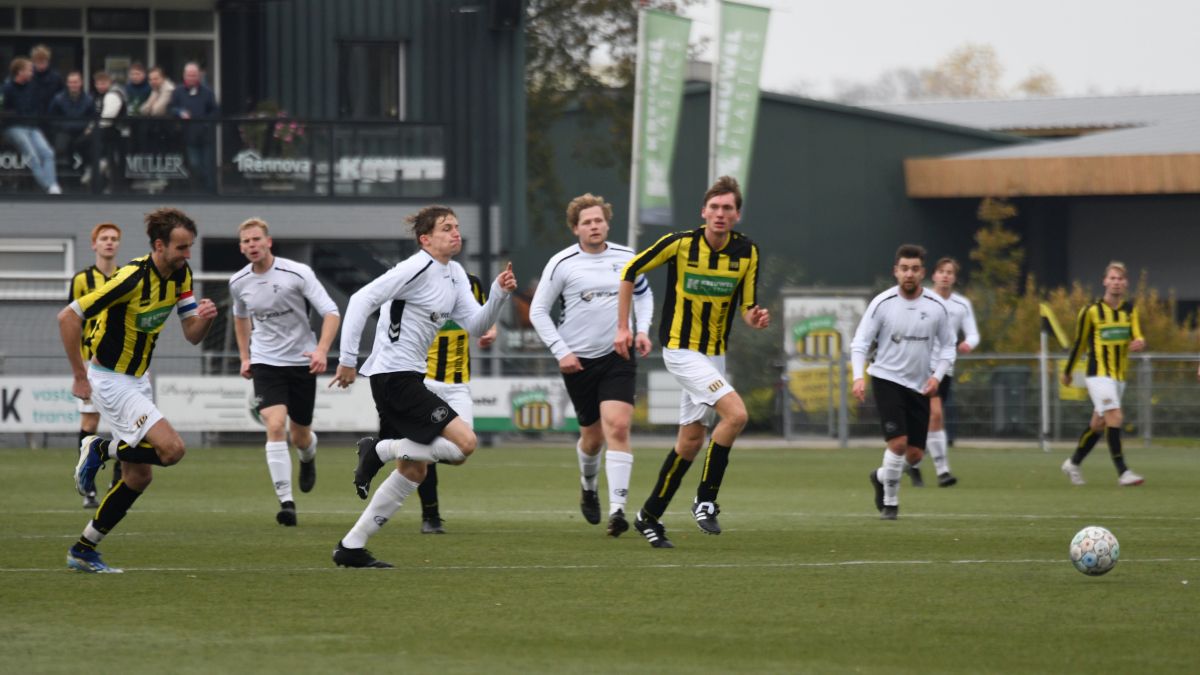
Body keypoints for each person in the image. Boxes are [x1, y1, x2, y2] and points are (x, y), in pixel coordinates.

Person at [330, 205, 516, 567]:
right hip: (393, 377)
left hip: (408, 377)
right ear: (425, 239)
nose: (455, 232)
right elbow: (360, 299)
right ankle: (378, 450)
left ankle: (351, 547)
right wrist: (347, 359)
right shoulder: (415, 267)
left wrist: (498, 293)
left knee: (415, 470)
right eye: (446, 228)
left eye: (457, 227)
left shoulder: (455, 273)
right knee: (465, 444)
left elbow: (476, 326)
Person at [59, 207, 219, 573]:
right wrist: (79, 376)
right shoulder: (130, 278)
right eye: (181, 247)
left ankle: (83, 550)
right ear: (159, 245)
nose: (187, 254)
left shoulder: (181, 275)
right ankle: (101, 448)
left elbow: (192, 334)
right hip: (110, 380)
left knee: (138, 476)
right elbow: (68, 316)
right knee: (172, 450)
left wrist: (206, 319)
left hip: (138, 378)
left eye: (190, 247)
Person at [615, 176, 769, 548]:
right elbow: (630, 270)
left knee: (690, 441)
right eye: (714, 207)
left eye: (727, 208)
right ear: (703, 212)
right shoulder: (680, 243)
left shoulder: (747, 252)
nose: (720, 213)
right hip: (681, 351)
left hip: (714, 355)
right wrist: (623, 327)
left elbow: (747, 307)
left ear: (737, 214)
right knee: (737, 415)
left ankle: (649, 516)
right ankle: (705, 500)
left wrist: (755, 318)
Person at [530, 193, 654, 536]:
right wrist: (561, 351)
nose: (594, 226)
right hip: (578, 361)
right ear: (575, 228)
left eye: (599, 220)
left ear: (607, 224)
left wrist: (641, 330)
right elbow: (538, 311)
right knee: (593, 438)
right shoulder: (562, 263)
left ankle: (618, 510)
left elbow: (643, 294)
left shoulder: (627, 257)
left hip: (619, 354)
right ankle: (588, 486)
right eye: (587, 222)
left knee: (618, 427)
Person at [229, 218, 341, 526]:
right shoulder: (238, 282)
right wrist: (245, 357)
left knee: (300, 436)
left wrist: (321, 350)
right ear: (241, 248)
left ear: (268, 242)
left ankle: (308, 456)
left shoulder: (297, 273)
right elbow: (240, 317)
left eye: (256, 239)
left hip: (301, 361)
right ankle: (286, 503)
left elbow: (331, 312)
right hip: (266, 362)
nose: (252, 245)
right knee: (275, 424)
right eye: (246, 241)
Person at [852, 244, 956, 520]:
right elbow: (860, 342)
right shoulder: (882, 303)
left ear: (923, 272)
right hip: (886, 378)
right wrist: (858, 377)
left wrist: (937, 377)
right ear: (895, 271)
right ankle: (891, 504)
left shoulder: (936, 307)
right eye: (904, 268)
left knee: (914, 455)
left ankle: (881, 476)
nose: (909, 274)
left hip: (920, 384)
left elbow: (948, 347)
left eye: (914, 269)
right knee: (897, 444)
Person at [414, 272, 495, 534]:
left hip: (458, 385)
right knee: (425, 450)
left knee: (461, 451)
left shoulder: (471, 283)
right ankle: (431, 516)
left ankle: (396, 449)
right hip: (424, 381)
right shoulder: (416, 280)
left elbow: (484, 317)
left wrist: (490, 331)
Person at [1060, 261, 1145, 487]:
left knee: (1099, 424)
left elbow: (1137, 335)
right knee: (1115, 416)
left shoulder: (1130, 310)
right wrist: (1068, 371)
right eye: (1112, 278)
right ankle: (1123, 472)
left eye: (1120, 279)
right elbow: (1079, 343)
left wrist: (1139, 341)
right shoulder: (1090, 311)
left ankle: (1073, 463)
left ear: (1126, 283)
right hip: (1097, 374)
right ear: (1105, 281)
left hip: (1119, 376)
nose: (1116, 282)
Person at [903, 256, 979, 488]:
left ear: (954, 278)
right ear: (933, 275)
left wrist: (968, 344)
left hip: (945, 368)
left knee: (926, 421)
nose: (945, 276)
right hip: (921, 366)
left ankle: (911, 464)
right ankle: (943, 471)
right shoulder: (922, 298)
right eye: (941, 271)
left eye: (950, 272)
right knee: (935, 416)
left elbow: (973, 334)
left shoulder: (961, 304)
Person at [69, 222, 122, 508]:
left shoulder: (127, 276)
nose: (109, 242)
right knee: (90, 424)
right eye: (104, 238)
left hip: (123, 365)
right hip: (91, 365)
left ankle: (118, 483)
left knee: (125, 426)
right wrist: (78, 370)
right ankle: (88, 487)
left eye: (114, 238)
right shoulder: (81, 280)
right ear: (94, 244)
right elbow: (72, 321)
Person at [2, 57, 62, 194]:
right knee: (32, 154)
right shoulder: (6, 88)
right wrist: (12, 114)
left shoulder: (33, 87)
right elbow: (2, 109)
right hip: (13, 127)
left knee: (48, 153)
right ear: (20, 72)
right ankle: (48, 186)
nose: (32, 73)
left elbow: (38, 105)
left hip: (32, 127)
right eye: (29, 70)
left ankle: (52, 184)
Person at [168, 62, 219, 192]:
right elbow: (171, 108)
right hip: (188, 136)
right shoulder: (178, 92)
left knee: (207, 166)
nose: (191, 78)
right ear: (184, 75)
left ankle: (210, 192)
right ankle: (197, 190)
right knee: (194, 164)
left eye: (194, 75)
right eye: (189, 75)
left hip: (205, 136)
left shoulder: (207, 92)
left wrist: (205, 122)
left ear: (199, 76)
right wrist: (180, 112)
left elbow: (215, 111)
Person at [89, 71, 128, 191]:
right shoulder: (96, 96)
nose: (100, 86)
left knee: (112, 159)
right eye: (98, 83)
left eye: (103, 83)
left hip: (115, 133)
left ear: (109, 82)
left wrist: (92, 128)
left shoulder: (113, 95)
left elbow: (107, 118)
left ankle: (109, 180)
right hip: (103, 132)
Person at [47, 71, 95, 170]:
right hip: (63, 131)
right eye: (71, 82)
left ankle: (86, 170)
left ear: (81, 83)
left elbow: (93, 118)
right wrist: (62, 126)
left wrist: (88, 128)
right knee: (60, 148)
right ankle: (63, 174)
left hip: (82, 133)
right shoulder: (58, 99)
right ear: (67, 83)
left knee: (91, 145)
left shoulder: (89, 100)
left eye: (76, 82)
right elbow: (51, 118)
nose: (73, 85)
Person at [30, 45, 64, 117]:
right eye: (38, 61)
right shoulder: (28, 77)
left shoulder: (56, 78)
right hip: (32, 117)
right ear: (34, 61)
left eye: (43, 60)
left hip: (51, 117)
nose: (41, 63)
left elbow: (62, 98)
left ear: (48, 61)